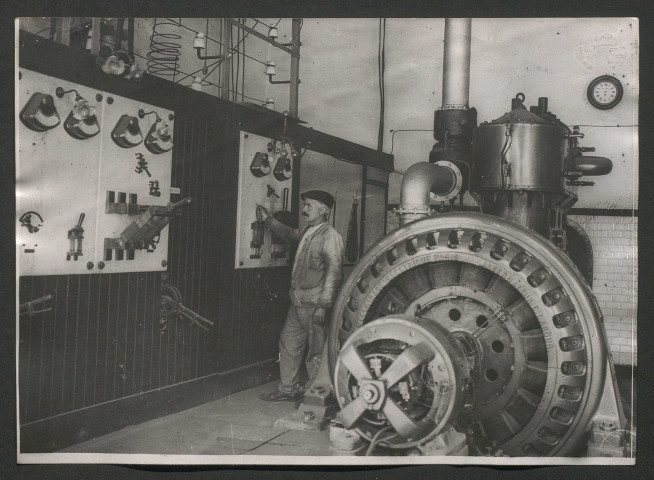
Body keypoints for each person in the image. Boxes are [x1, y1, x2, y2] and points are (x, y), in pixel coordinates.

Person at [258, 190, 344, 402]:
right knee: (288, 343)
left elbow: (334, 274)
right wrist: (268, 220)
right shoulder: (309, 231)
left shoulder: (330, 237)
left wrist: (323, 306)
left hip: (315, 305)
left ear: (323, 211)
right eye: (305, 205)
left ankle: (315, 395)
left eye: (309, 206)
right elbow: (289, 234)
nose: (304, 210)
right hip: (298, 301)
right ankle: (288, 388)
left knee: (317, 351)